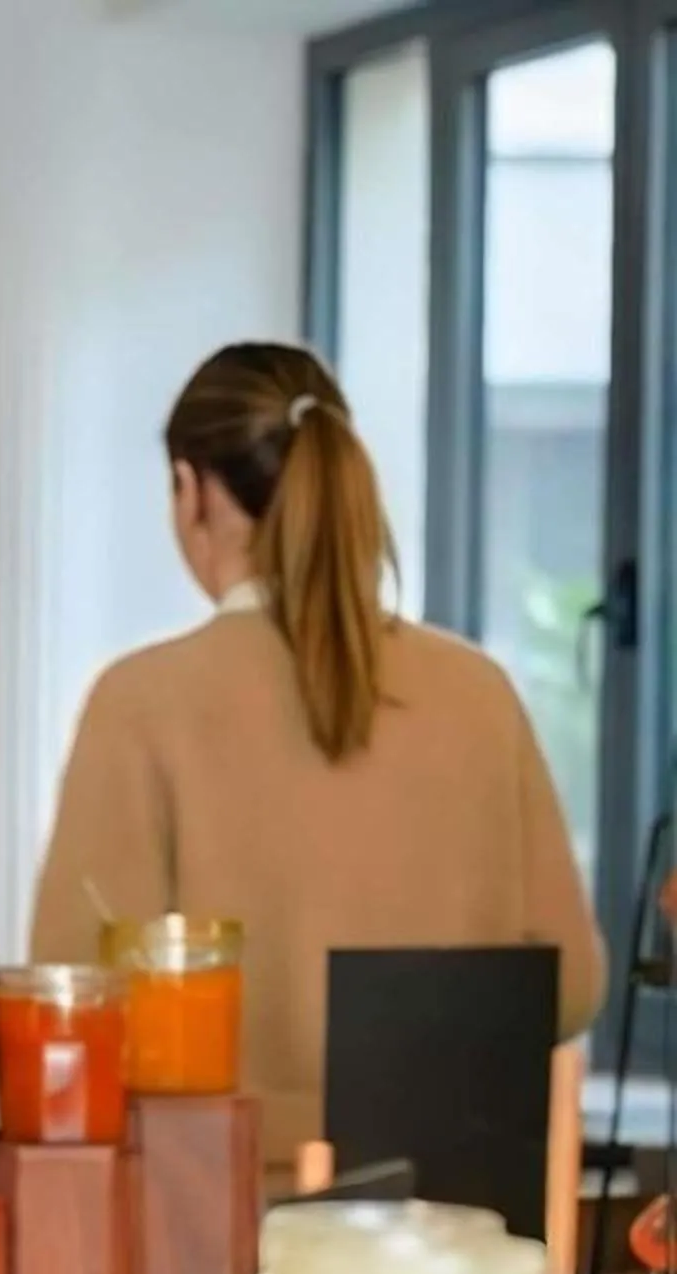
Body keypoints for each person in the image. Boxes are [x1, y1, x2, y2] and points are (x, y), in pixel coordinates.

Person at [30, 341, 603, 1167]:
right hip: (460, 1226)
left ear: (192, 493)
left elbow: (74, 1002)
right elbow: (572, 981)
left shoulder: (141, 704)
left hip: (225, 1221)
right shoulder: (479, 694)